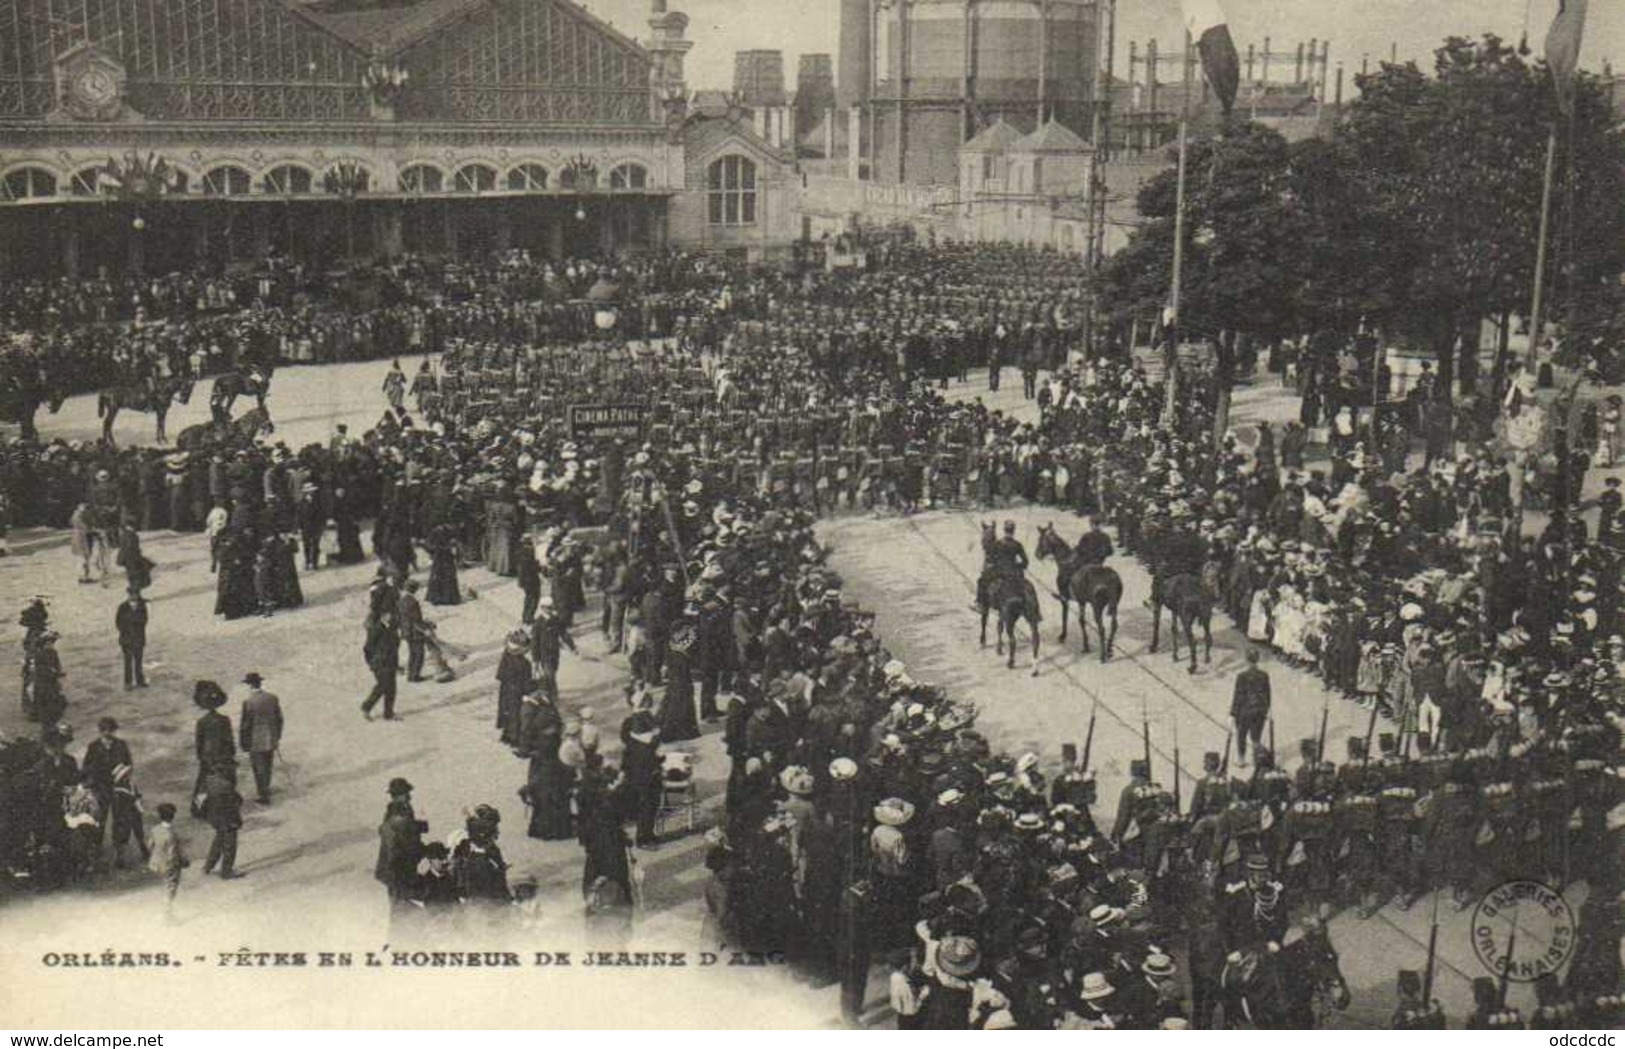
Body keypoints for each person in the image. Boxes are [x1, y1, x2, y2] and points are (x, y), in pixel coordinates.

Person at [375, 778, 427, 927]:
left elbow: (404, 828)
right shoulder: (398, 810)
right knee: (400, 901)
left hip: (396, 865)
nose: (409, 796)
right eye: (406, 793)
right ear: (400, 795)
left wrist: (419, 826)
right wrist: (422, 849)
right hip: (397, 866)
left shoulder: (399, 809)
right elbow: (403, 835)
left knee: (400, 900)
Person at [80, 717, 133, 852]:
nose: (107, 733)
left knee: (119, 819)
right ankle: (97, 847)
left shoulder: (121, 745)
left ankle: (119, 849)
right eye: (104, 730)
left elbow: (128, 763)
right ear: (100, 731)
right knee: (99, 818)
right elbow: (86, 766)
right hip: (100, 787)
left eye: (110, 730)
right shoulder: (93, 746)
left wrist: (124, 773)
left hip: (117, 787)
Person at [238, 672, 284, 805]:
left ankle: (263, 795)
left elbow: (245, 725)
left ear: (250, 686)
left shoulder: (248, 702)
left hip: (255, 739)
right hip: (271, 738)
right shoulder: (272, 698)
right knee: (268, 764)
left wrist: (243, 742)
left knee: (258, 767)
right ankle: (266, 789)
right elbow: (279, 719)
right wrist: (277, 736)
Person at [620, 710, 663, 849]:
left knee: (650, 810)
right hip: (645, 784)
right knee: (646, 810)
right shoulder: (642, 749)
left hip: (646, 781)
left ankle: (649, 834)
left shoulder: (636, 744)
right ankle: (643, 839)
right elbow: (642, 769)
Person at [1230, 649, 1271, 766]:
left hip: (1244, 712)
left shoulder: (1242, 676)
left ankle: (1241, 759)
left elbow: (1238, 696)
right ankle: (1256, 758)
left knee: (1241, 735)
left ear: (1246, 660)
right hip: (1259, 711)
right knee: (1256, 736)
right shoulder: (1264, 675)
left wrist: (1233, 713)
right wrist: (1265, 710)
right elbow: (1268, 695)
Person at [200, 769, 244, 879]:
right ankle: (226, 871)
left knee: (218, 841)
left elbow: (202, 803)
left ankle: (208, 866)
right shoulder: (227, 786)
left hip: (215, 819)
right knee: (230, 846)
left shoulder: (209, 781)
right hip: (228, 821)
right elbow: (238, 801)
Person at [147, 802, 188, 915]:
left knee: (163, 882)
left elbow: (150, 845)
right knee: (171, 886)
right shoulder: (173, 834)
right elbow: (174, 852)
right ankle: (167, 910)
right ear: (173, 816)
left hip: (156, 862)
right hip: (170, 864)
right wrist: (184, 861)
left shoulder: (155, 829)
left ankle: (164, 905)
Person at [361, 611, 401, 721]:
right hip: (380, 663)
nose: (391, 615)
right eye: (388, 614)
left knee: (391, 689)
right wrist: (372, 662)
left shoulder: (392, 627)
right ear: (383, 616)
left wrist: (396, 665)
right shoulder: (376, 629)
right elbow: (368, 648)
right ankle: (366, 707)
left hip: (390, 662)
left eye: (391, 614)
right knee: (383, 685)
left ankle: (388, 713)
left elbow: (394, 647)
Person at [115, 589, 148, 690]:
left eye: (136, 594)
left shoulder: (142, 607)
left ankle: (139, 680)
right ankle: (128, 683)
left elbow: (144, 620)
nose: (134, 596)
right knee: (128, 662)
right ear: (128, 595)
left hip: (139, 638)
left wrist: (132, 620)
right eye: (132, 594)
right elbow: (118, 622)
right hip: (127, 639)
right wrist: (125, 630)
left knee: (138, 661)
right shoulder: (123, 607)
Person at [398, 580, 428, 683]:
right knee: (419, 654)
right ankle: (415, 675)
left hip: (406, 631)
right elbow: (416, 619)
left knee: (412, 654)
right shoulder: (412, 602)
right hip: (415, 632)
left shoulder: (401, 600)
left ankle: (411, 675)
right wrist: (426, 628)